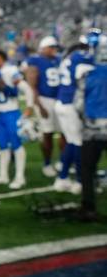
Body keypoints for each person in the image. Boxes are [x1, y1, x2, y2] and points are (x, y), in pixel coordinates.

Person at [0, 49, 28, 189]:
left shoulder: (10, 70)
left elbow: (25, 88)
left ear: (3, 59)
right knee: (2, 146)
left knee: (16, 144)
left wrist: (30, 108)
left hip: (11, 112)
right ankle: (3, 176)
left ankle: (20, 177)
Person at [53, 42, 95, 193]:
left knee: (71, 142)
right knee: (79, 143)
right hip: (72, 105)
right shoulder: (81, 58)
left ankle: (62, 178)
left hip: (61, 103)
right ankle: (79, 181)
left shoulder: (67, 58)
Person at [75, 43, 106, 220]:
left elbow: (78, 104)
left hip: (91, 130)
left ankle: (89, 207)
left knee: (87, 169)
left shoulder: (87, 76)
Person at [25, 36, 63, 177]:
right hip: (44, 99)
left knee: (64, 132)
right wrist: (39, 105)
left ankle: (62, 161)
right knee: (47, 133)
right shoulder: (35, 61)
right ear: (43, 48)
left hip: (59, 99)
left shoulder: (59, 60)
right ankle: (47, 163)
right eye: (51, 47)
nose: (54, 50)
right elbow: (32, 85)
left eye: (55, 47)